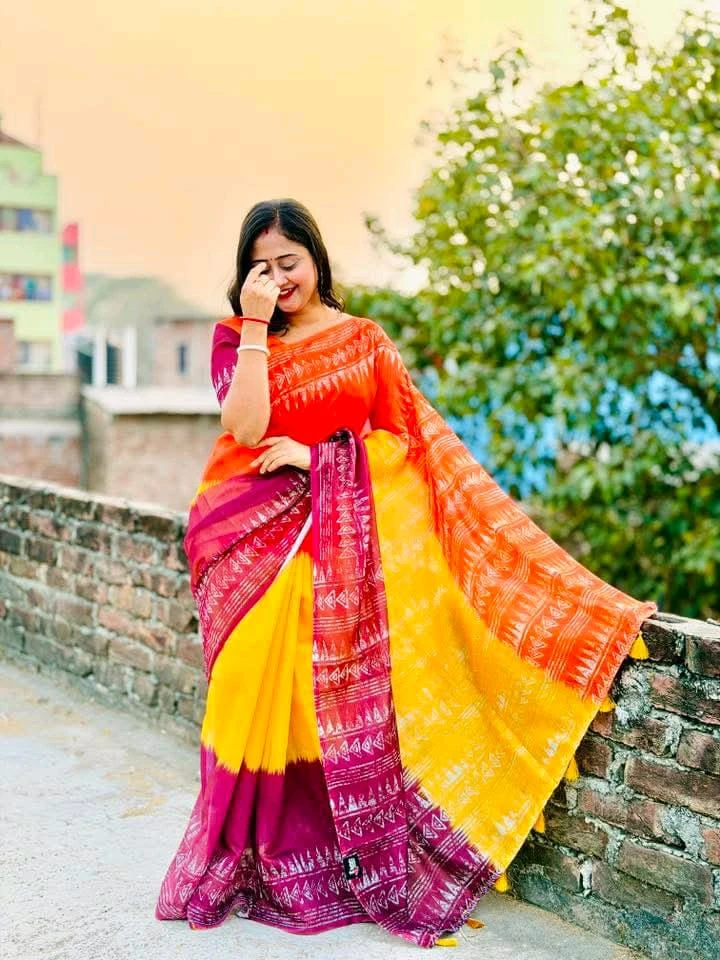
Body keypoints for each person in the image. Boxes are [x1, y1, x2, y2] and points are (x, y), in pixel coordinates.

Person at [155, 198, 657, 948]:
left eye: (290, 262)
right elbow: (247, 427)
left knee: (319, 699)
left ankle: (332, 860)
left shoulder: (363, 341)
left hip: (334, 542)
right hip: (246, 539)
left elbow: (403, 441)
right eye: (261, 267)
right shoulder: (237, 338)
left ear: (317, 260)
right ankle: (247, 855)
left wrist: (320, 459)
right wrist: (255, 326)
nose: (279, 278)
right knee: (243, 700)